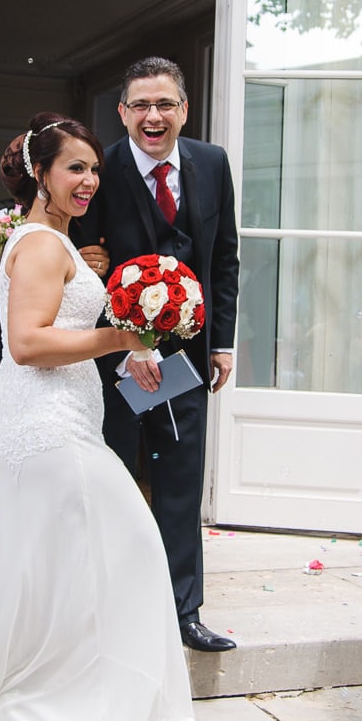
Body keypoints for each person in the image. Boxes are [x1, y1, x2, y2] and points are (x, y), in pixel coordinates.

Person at [0, 114, 198, 721]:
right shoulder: (38, 244)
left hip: (63, 417)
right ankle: (61, 696)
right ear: (41, 174)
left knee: (68, 560)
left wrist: (130, 356)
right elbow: (29, 345)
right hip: (42, 426)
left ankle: (74, 681)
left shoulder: (55, 239)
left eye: (94, 169)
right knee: (129, 541)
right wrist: (119, 340)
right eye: (74, 168)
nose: (89, 180)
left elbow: (65, 331)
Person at [76, 57, 240, 654]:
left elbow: (224, 259)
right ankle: (111, 609)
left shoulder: (212, 163)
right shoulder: (97, 169)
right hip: (113, 359)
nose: (153, 115)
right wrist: (125, 347)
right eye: (140, 105)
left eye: (165, 104)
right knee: (115, 479)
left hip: (186, 361)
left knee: (180, 481)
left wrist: (221, 341)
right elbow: (83, 269)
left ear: (184, 110)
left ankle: (184, 611)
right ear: (122, 113)